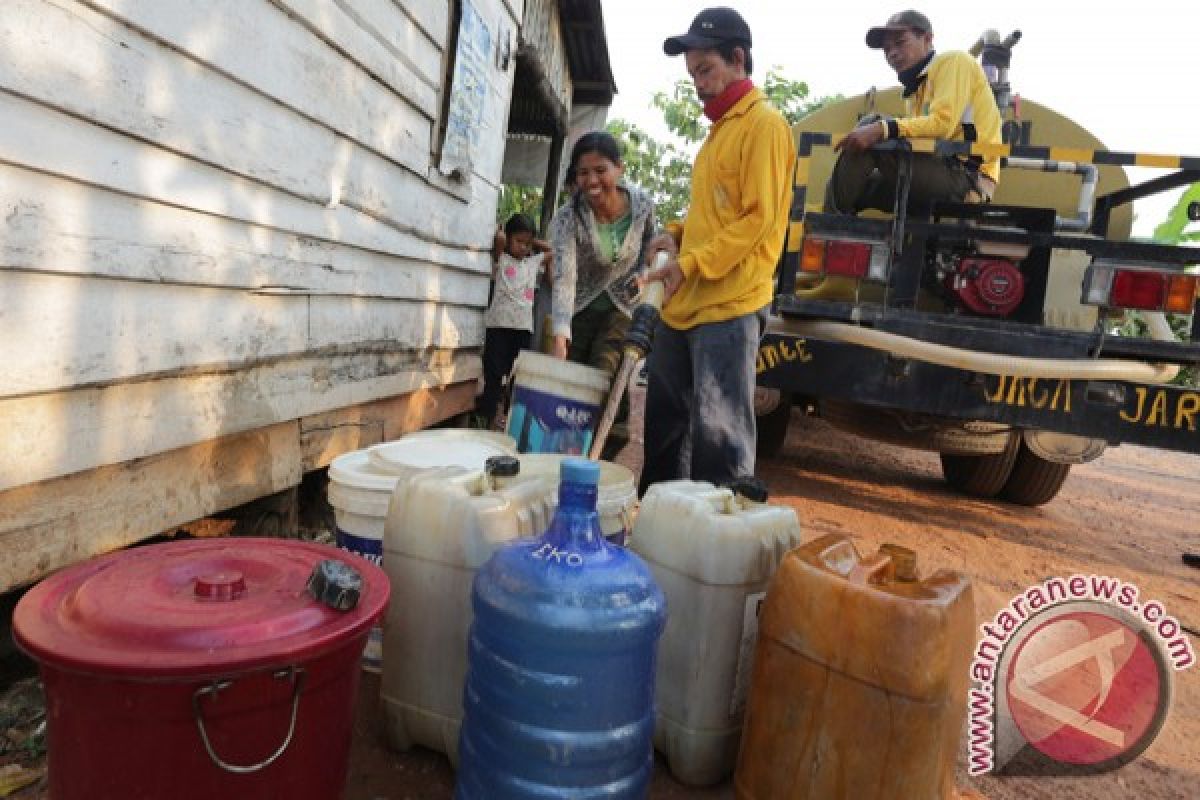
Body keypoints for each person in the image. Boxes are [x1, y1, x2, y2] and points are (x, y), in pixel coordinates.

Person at [639, 7, 796, 494]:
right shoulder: (718, 134)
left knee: (719, 437)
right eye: (692, 76)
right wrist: (679, 235)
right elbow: (715, 214)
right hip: (686, 304)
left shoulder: (764, 126)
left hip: (729, 304)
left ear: (738, 59)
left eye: (705, 71)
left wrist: (692, 263)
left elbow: (758, 220)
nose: (699, 85)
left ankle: (717, 555)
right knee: (665, 427)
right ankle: (659, 530)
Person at [826, 9, 1002, 215]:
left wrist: (881, 128)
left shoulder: (954, 61)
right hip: (940, 170)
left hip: (967, 179)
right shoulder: (915, 92)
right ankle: (837, 224)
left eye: (900, 42)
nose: (892, 53)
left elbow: (942, 124)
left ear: (927, 39)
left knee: (873, 126)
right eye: (887, 49)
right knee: (860, 186)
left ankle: (829, 222)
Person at [548, 131, 658, 453]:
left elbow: (650, 248)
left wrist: (643, 275)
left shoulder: (642, 207)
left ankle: (597, 454)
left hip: (622, 305)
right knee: (570, 382)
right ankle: (563, 453)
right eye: (583, 172)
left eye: (600, 170)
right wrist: (559, 336)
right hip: (579, 305)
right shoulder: (569, 217)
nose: (592, 180)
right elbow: (564, 276)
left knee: (604, 373)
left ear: (619, 169)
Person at [476, 213, 552, 428]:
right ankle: (487, 417)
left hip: (522, 330)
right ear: (509, 239)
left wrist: (532, 240)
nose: (524, 247)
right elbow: (499, 238)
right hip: (499, 327)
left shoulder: (532, 262)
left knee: (515, 376)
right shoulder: (502, 259)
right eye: (519, 241)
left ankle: (509, 418)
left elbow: (552, 251)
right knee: (493, 374)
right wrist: (507, 235)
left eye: (527, 244)